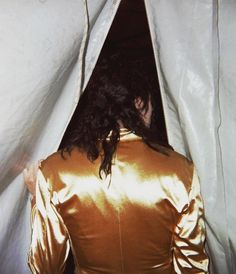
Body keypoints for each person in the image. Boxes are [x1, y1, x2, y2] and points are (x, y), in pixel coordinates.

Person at [24, 68, 209, 274]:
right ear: (139, 103)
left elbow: (45, 268)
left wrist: (37, 199)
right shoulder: (180, 170)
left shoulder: (55, 171)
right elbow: (192, 267)